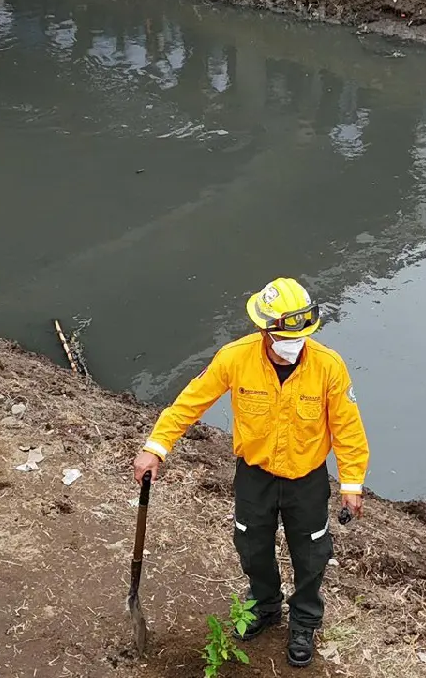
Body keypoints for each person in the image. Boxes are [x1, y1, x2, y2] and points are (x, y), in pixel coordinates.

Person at [131, 278, 369, 671]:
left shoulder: (328, 367)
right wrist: (155, 447)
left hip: (306, 480)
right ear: (264, 329)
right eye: (285, 334)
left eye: (301, 334)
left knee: (311, 556)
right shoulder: (234, 357)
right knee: (251, 545)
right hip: (254, 475)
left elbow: (348, 428)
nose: (294, 342)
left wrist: (352, 483)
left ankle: (304, 622)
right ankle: (265, 605)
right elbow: (191, 402)